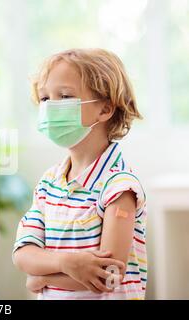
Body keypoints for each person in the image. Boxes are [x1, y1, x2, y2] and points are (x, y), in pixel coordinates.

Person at [13, 48, 147, 300]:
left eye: (64, 96)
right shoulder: (48, 184)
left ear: (105, 109)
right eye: (44, 99)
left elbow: (108, 274)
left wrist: (41, 276)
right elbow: (23, 253)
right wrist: (66, 263)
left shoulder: (119, 187)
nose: (51, 106)